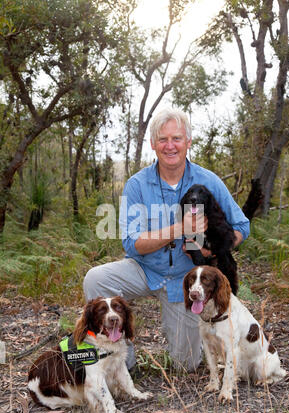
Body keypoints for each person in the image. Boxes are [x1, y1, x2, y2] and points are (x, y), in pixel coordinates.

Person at [83, 108, 250, 372]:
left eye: (177, 138)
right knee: (96, 278)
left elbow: (242, 226)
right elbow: (132, 242)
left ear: (188, 142)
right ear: (153, 144)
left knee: (186, 366)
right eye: (163, 139)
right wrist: (179, 228)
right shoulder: (137, 185)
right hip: (144, 269)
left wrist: (214, 251)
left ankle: (189, 350)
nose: (170, 146)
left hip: (187, 280)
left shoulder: (208, 181)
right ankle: (120, 361)